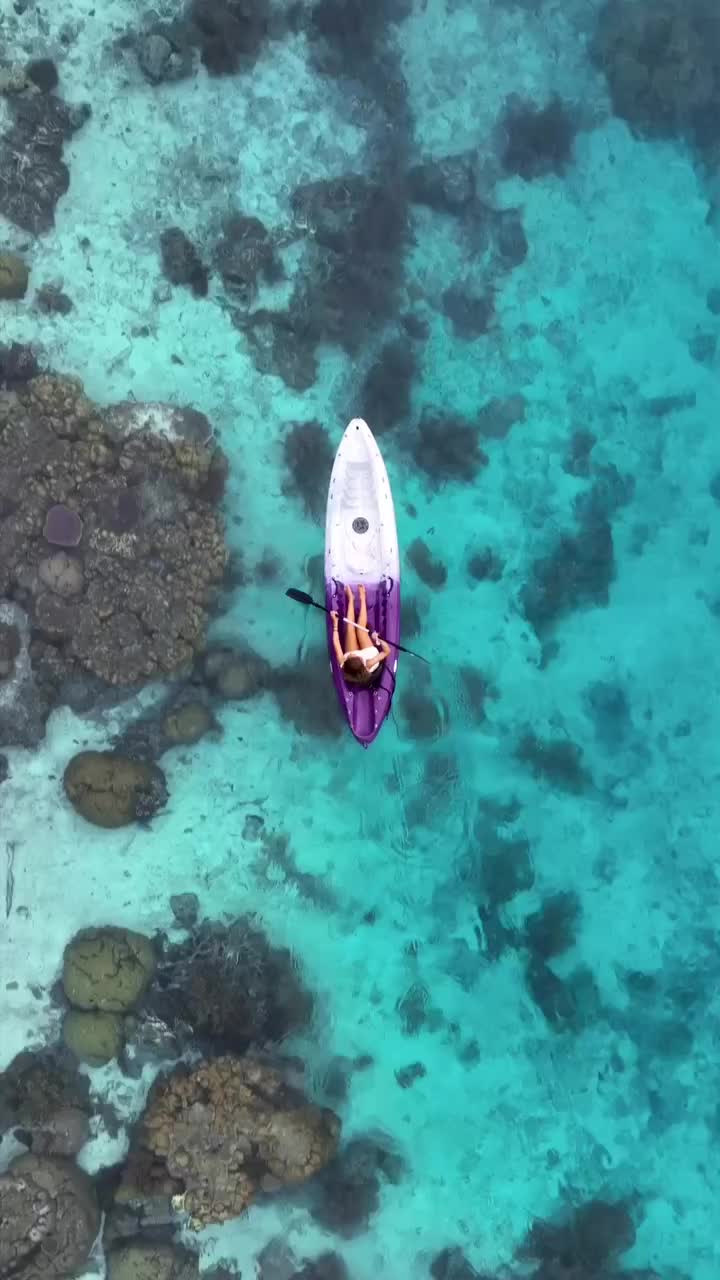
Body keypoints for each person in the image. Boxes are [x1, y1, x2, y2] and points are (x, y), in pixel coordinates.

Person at [331, 583, 392, 686]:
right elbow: (387, 651)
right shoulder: (369, 663)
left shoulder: (343, 661)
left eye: (350, 655)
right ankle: (363, 598)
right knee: (360, 629)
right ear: (360, 660)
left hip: (358, 665)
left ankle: (351, 599)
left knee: (350, 629)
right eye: (353, 655)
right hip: (369, 654)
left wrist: (335, 623)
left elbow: (336, 642)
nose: (351, 653)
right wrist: (378, 639)